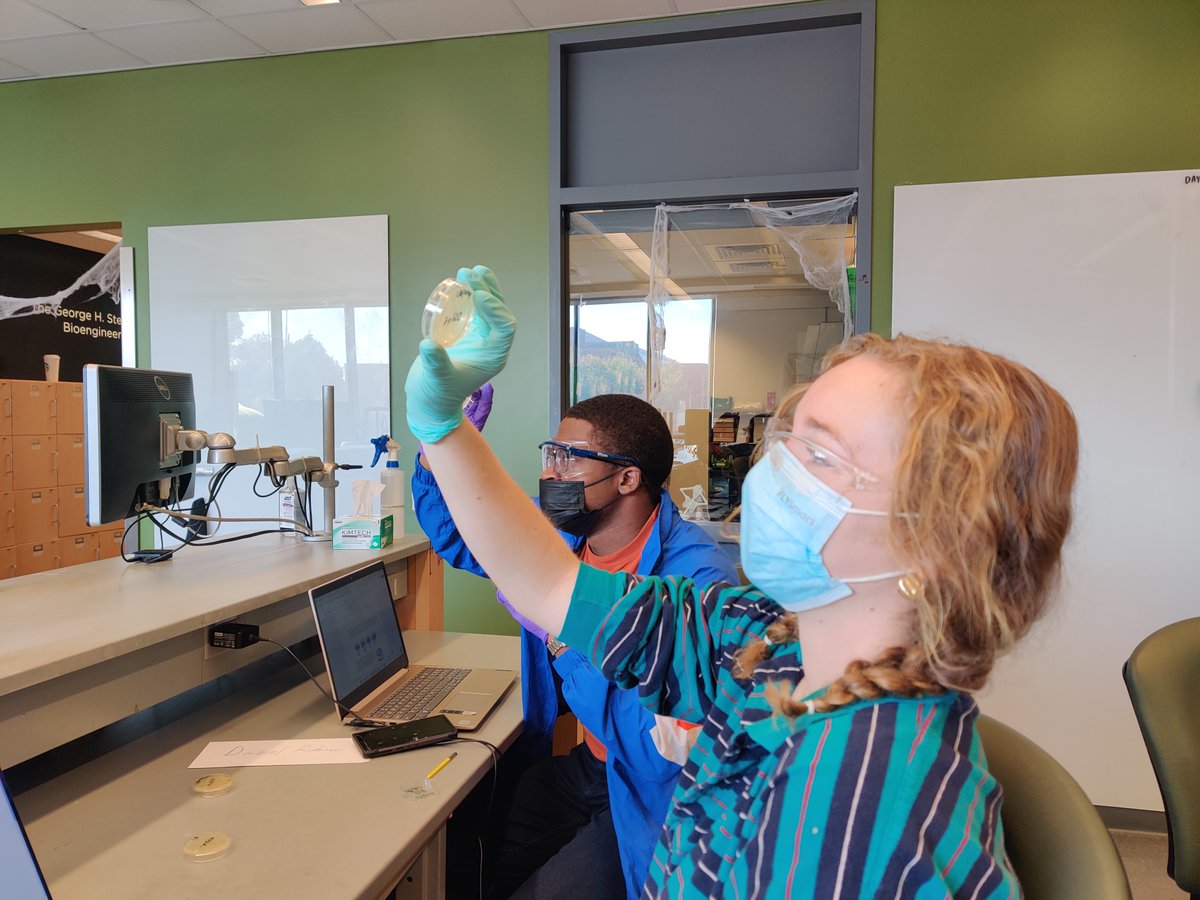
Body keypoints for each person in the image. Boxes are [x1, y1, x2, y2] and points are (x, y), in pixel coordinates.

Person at [406, 266, 1079, 897]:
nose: (773, 475)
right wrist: (440, 426)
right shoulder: (764, 640)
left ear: (935, 541)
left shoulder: (859, 795)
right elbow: (552, 583)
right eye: (786, 441)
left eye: (819, 455)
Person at [411, 335, 738, 897]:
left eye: (568, 458)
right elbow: (458, 536)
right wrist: (439, 446)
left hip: (650, 787)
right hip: (589, 765)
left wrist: (564, 636)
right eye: (551, 455)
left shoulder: (696, 580)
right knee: (462, 851)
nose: (551, 472)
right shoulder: (562, 539)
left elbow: (663, 741)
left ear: (627, 478)